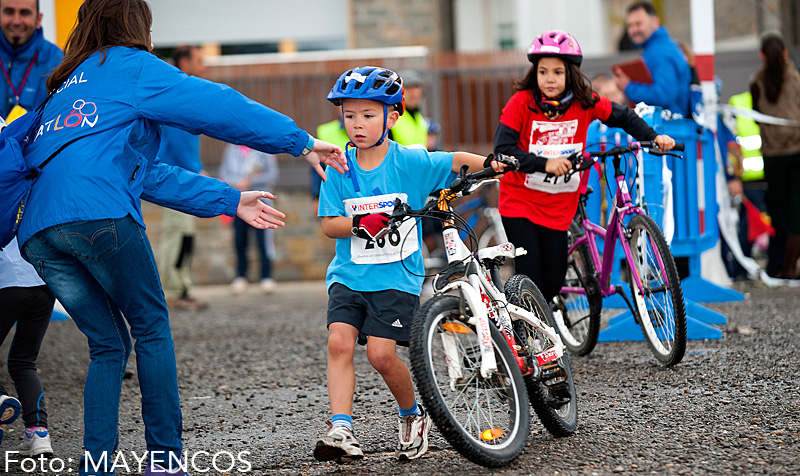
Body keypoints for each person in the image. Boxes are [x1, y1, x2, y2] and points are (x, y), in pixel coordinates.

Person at [17, 1, 346, 475]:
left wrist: (229, 200)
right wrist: (298, 140)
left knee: (108, 344)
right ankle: (165, 462)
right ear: (138, 26)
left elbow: (138, 171)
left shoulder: (66, 87)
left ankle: (96, 466)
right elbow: (217, 105)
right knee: (150, 326)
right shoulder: (130, 67)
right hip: (99, 213)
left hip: (40, 233)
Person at [314, 66, 508, 464]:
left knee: (382, 356)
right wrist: (357, 223)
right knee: (339, 343)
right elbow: (329, 224)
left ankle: (412, 415)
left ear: (392, 116)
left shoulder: (410, 162)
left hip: (396, 277)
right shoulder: (338, 167)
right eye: (349, 115)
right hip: (349, 276)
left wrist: (491, 163)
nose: (357, 124)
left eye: (368, 115)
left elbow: (453, 159)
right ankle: (340, 429)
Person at [493, 30, 675, 303]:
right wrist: (545, 164)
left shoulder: (584, 101)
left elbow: (622, 115)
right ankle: (522, 337)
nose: (549, 79)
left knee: (554, 281)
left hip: (559, 205)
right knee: (529, 275)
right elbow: (503, 150)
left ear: (570, 74)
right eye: (543, 72)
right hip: (521, 202)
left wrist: (653, 137)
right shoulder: (521, 103)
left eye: (557, 72)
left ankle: (534, 325)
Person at [156, 45, 209, 310]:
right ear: (184, 62)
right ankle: (172, 291)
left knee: (184, 234)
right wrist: (196, 168)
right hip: (176, 177)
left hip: (183, 175)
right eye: (200, 60)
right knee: (177, 233)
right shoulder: (179, 94)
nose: (204, 66)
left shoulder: (182, 91)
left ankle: (181, 287)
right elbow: (178, 140)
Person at [749, 31, 800, 279]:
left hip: (771, 157)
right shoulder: (796, 80)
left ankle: (781, 266)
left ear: (761, 56)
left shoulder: (755, 83)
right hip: (796, 153)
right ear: (785, 54)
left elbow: (757, 118)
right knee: (796, 215)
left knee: (782, 215)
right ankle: (789, 267)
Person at [0, 237, 55, 457]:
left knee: (23, 361)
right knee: (24, 362)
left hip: (5, 281)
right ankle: (39, 434)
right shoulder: (30, 200)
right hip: (42, 282)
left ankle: (1, 399)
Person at [612, 1, 692, 118]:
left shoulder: (660, 51)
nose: (634, 30)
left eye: (638, 24)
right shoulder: (656, 48)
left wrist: (628, 87)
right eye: (630, 25)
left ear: (655, 22)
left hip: (670, 127)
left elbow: (664, 94)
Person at [219, 143, 280, 293]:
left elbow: (272, 174)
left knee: (263, 239)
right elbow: (224, 173)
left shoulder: (263, 149)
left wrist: (251, 182)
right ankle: (241, 276)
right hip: (238, 203)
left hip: (261, 203)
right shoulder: (231, 149)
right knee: (239, 240)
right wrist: (237, 183)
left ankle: (266, 276)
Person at [0, 0, 62, 119]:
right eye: (9, 12)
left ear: (38, 19)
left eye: (24, 13)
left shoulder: (59, 64)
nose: (16, 21)